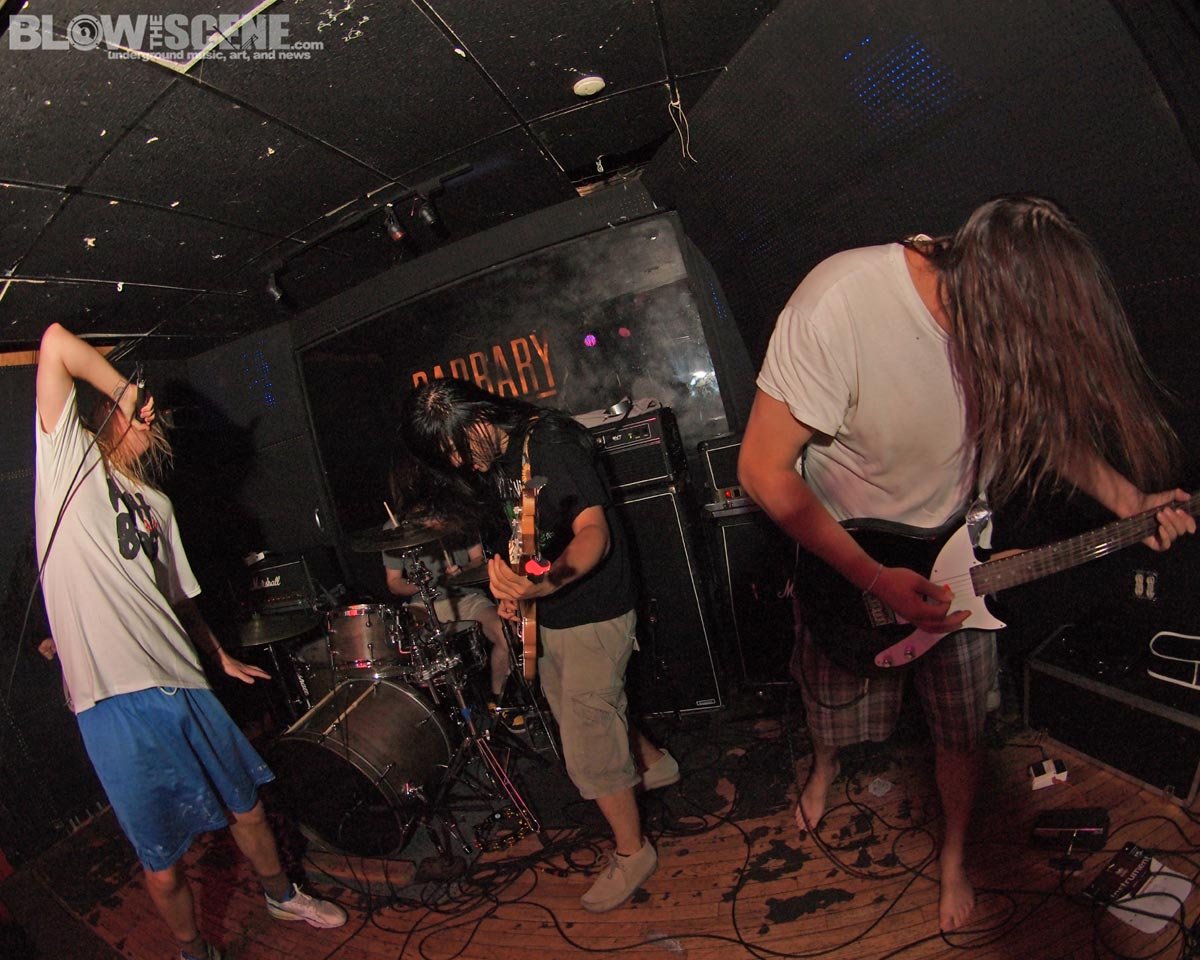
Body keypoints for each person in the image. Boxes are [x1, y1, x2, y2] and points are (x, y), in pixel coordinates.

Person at [737, 195, 1195, 933]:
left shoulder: (1003, 318)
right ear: (987, 296)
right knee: (832, 705)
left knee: (961, 730)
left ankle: (954, 858)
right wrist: (873, 577)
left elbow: (1043, 425)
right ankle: (824, 767)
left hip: (957, 558)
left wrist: (1130, 500)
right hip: (847, 559)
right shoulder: (841, 302)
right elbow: (762, 470)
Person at [34, 324, 348, 960]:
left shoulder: (156, 503)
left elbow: (178, 600)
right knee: (163, 861)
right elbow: (55, 343)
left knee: (248, 807)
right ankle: (192, 950)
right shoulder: (68, 465)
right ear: (106, 415)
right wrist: (125, 391)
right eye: (142, 413)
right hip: (114, 702)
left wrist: (218, 655)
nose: (152, 423)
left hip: (185, 682)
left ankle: (281, 895)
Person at [399, 378, 680, 912]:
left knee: (586, 735)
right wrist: (509, 589)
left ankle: (633, 851)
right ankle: (655, 764)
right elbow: (512, 537)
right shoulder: (489, 463)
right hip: (547, 612)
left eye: (458, 446)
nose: (457, 461)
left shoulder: (550, 443)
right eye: (445, 456)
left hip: (594, 608)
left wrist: (545, 583)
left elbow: (594, 534)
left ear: (480, 417)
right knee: (583, 709)